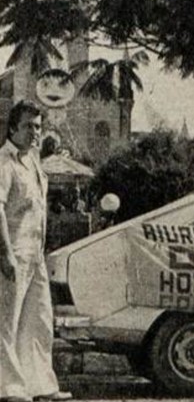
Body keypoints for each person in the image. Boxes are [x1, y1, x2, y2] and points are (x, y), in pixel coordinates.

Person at [0, 100, 72, 402]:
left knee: (39, 319)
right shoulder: (4, 162)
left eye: (39, 127)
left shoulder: (33, 163)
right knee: (6, 321)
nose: (34, 132)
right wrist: (5, 254)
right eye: (29, 125)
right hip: (12, 252)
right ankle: (9, 388)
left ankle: (41, 385)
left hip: (35, 253)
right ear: (13, 127)